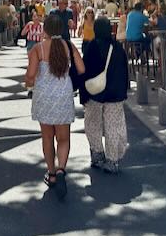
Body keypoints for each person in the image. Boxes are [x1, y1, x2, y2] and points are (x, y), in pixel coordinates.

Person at [25, 14, 85, 199]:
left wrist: (28, 79)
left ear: (46, 30)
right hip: (63, 95)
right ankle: (61, 170)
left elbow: (31, 74)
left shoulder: (38, 49)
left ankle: (51, 173)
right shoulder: (68, 46)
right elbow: (82, 69)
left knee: (47, 137)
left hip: (43, 97)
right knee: (64, 138)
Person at [80, 17, 129, 174]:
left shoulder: (91, 47)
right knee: (113, 125)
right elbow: (124, 71)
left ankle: (97, 153)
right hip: (114, 94)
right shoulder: (117, 47)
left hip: (94, 93)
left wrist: (82, 94)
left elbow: (84, 71)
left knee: (92, 123)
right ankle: (113, 160)